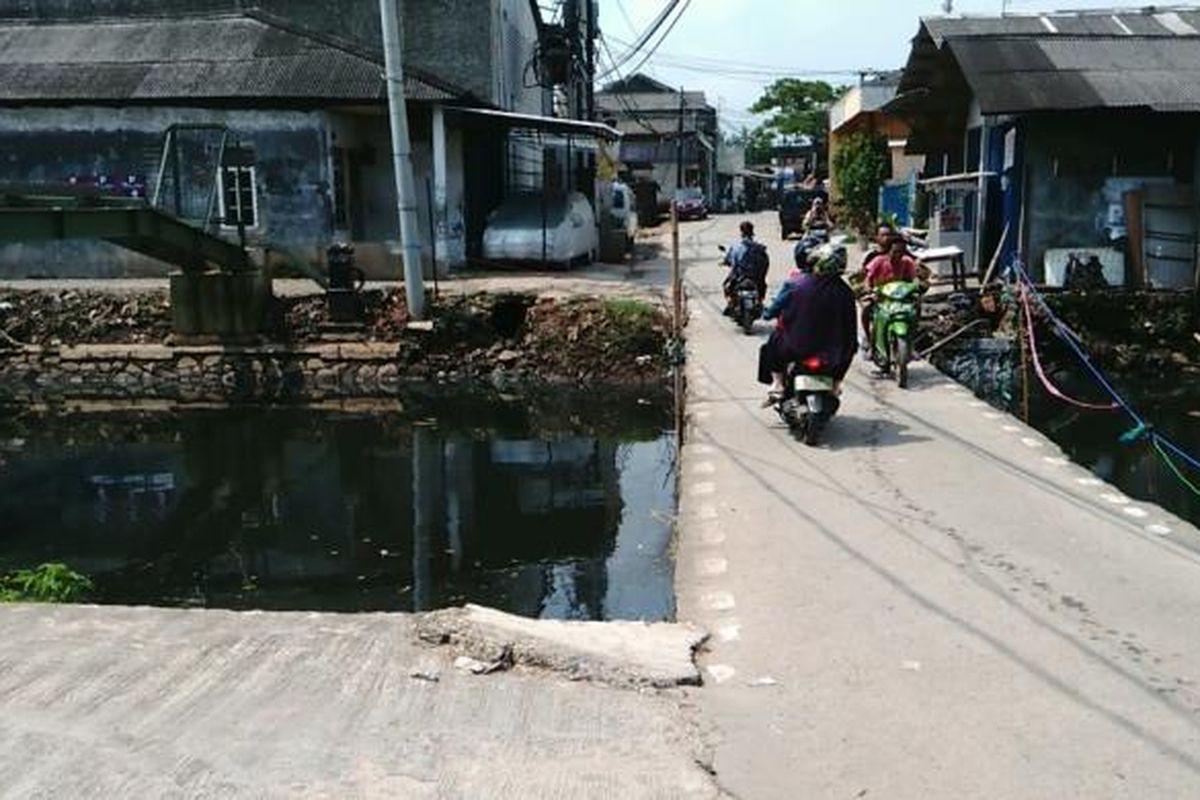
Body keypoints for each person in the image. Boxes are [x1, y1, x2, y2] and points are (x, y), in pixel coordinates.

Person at [758, 244, 858, 404]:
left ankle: (777, 384)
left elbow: (785, 313)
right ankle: (836, 385)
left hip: (797, 347)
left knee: (772, 344)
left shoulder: (799, 285)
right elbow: (850, 326)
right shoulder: (845, 292)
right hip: (833, 351)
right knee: (850, 347)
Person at [861, 234, 919, 356]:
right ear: (889, 250)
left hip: (900, 297)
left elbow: (915, 279)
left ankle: (911, 345)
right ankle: (871, 345)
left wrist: (917, 287)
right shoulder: (878, 261)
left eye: (901, 252)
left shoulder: (907, 262)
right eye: (895, 251)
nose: (898, 255)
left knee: (916, 309)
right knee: (868, 309)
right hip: (881, 297)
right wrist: (869, 289)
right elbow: (868, 278)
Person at [721, 220, 769, 315]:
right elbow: (765, 263)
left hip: (740, 277)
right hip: (756, 278)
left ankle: (730, 304)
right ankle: (759, 302)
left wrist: (726, 262)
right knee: (763, 286)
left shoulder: (736, 247)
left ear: (741, 232)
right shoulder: (760, 248)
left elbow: (729, 260)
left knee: (726, 285)